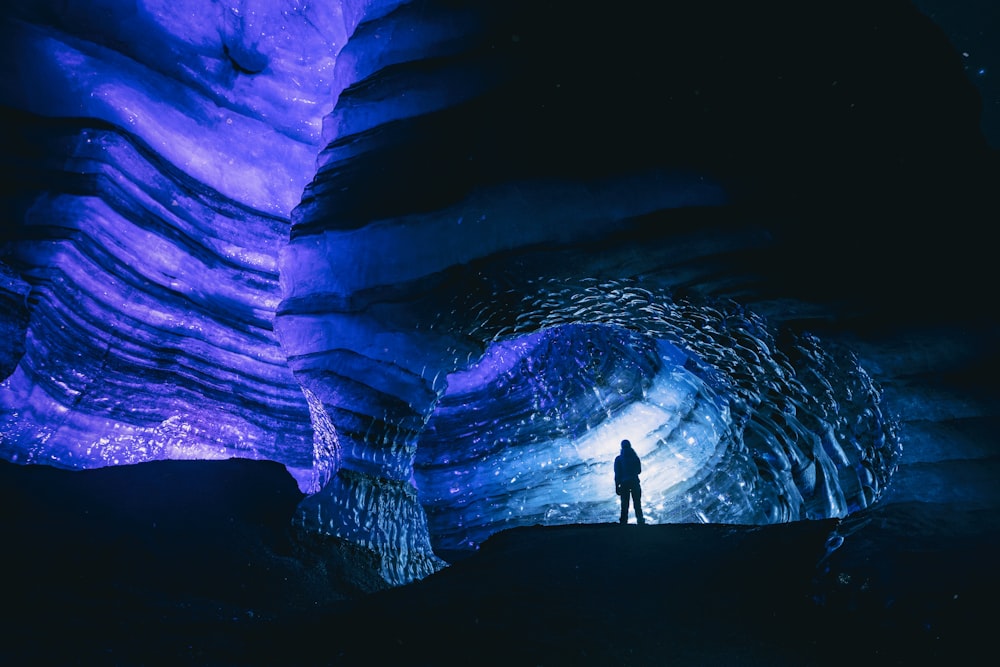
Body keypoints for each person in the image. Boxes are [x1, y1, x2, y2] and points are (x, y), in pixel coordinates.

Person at [614, 439, 645, 525]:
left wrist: (617, 487)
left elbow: (617, 474)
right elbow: (639, 471)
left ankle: (623, 522)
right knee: (637, 503)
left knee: (624, 504)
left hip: (624, 484)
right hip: (635, 482)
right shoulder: (635, 458)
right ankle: (640, 521)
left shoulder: (619, 459)